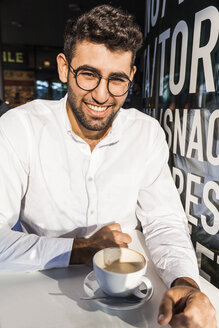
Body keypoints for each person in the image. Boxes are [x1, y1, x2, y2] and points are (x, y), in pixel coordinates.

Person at [0, 5, 216, 327]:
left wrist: (185, 283)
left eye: (116, 79)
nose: (101, 95)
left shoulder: (145, 133)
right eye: (88, 74)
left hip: (133, 305)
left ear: (130, 76)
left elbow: (164, 221)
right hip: (40, 295)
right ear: (64, 68)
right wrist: (82, 249)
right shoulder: (20, 128)